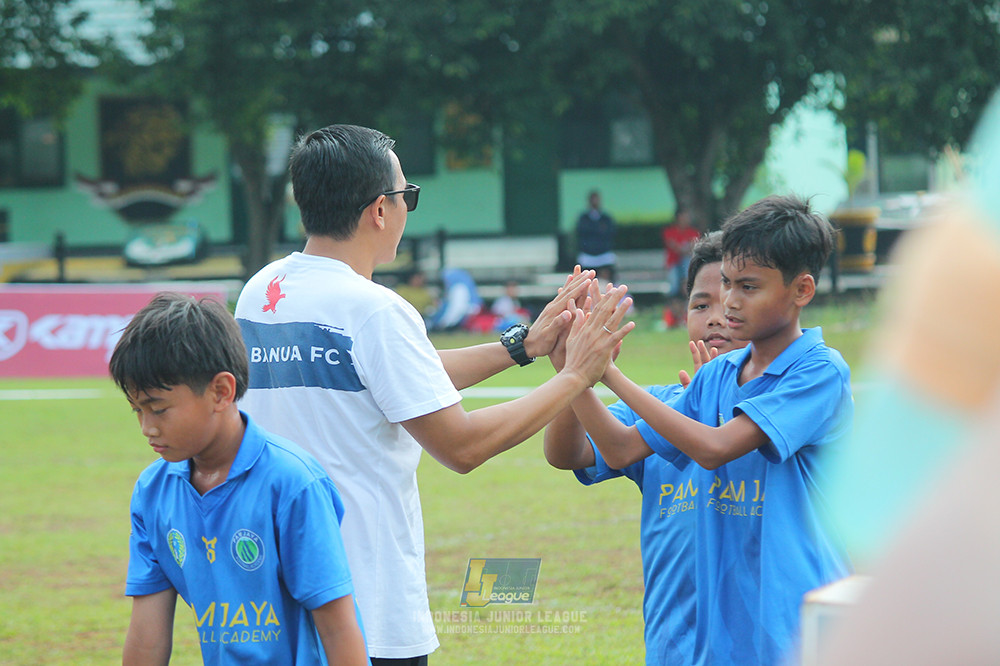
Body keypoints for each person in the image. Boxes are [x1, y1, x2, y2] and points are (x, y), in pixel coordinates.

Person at [234, 124, 633, 664]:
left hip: (276, 605)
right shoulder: (375, 309)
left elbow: (388, 377)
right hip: (365, 610)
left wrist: (524, 346)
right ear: (380, 209)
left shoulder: (261, 293)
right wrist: (574, 377)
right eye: (407, 196)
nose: (406, 208)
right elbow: (461, 446)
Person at [565, 195, 852, 665]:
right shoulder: (715, 377)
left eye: (749, 287)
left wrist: (607, 373)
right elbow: (618, 450)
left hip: (794, 632)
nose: (731, 303)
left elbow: (716, 448)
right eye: (726, 284)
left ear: (802, 290)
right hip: (721, 638)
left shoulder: (819, 372)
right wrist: (573, 370)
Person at [111, 292, 369, 666]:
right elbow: (148, 633)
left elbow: (337, 626)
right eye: (137, 410)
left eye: (158, 409)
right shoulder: (154, 492)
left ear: (221, 391)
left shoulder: (293, 484)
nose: (146, 428)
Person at [545, 231, 747, 664]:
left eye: (730, 301)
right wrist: (571, 372)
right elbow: (568, 453)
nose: (715, 317)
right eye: (700, 304)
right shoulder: (656, 404)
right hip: (673, 646)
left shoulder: (774, 406)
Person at [661, 206, 701, 327]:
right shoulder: (669, 231)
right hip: (673, 264)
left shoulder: (693, 232)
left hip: (685, 265)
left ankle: (686, 284)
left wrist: (683, 249)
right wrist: (685, 249)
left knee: (686, 262)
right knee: (673, 288)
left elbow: (693, 247)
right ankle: (671, 317)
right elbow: (675, 247)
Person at [576, 189, 617, 283]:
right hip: (588, 255)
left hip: (604, 254)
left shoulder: (606, 218)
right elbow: (581, 234)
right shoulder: (583, 218)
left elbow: (610, 233)